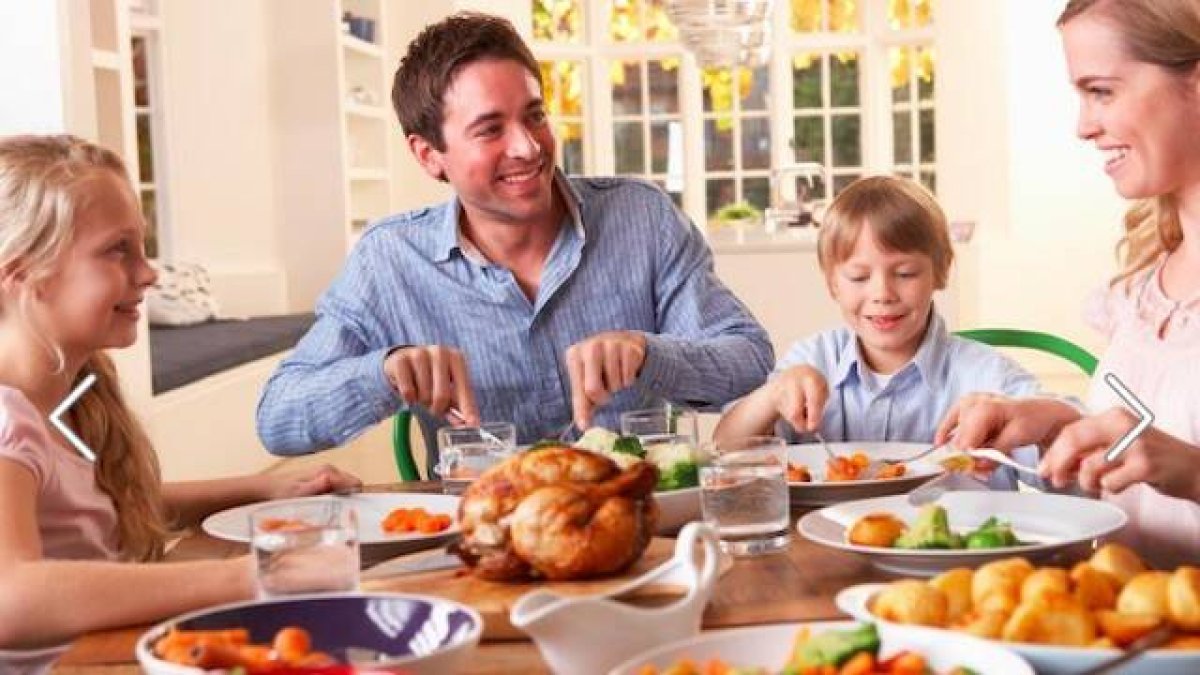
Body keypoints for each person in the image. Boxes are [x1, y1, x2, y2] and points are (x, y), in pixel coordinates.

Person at [255, 12, 773, 460]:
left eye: (535, 115)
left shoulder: (642, 217)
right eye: (490, 129)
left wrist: (648, 354)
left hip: (635, 515)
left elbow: (748, 357)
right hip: (485, 529)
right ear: (428, 155)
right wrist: (384, 374)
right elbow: (278, 418)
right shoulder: (389, 260)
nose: (527, 147)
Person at [0, 135, 360, 666]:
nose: (148, 273)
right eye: (117, 250)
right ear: (24, 274)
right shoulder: (7, 420)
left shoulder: (71, 398)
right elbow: (11, 596)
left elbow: (96, 507)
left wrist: (263, 489)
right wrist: (255, 574)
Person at [937, 0, 1200, 566]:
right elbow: (1141, 472)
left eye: (1101, 91)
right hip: (1125, 615)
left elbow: (1175, 460)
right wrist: (1056, 426)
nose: (1083, 126)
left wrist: (1194, 472)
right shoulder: (1140, 289)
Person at [715, 176, 1042, 487]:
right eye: (859, 277)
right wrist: (772, 396)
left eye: (905, 273)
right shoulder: (812, 359)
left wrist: (1022, 420)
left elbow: (1062, 468)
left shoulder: (987, 376)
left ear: (941, 272)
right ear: (832, 283)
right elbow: (724, 453)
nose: (882, 294)